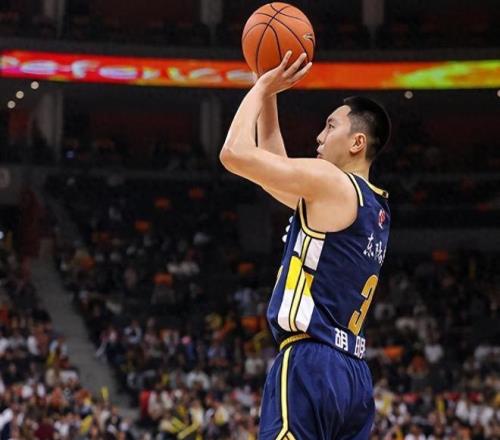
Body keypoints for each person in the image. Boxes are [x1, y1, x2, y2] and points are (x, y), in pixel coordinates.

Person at [220, 51, 392, 439]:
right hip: (353, 376)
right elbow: (272, 169)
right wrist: (268, 95)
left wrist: (261, 85)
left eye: (330, 126)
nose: (319, 136)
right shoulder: (374, 206)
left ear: (357, 142)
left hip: (311, 361)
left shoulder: (331, 182)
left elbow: (234, 154)